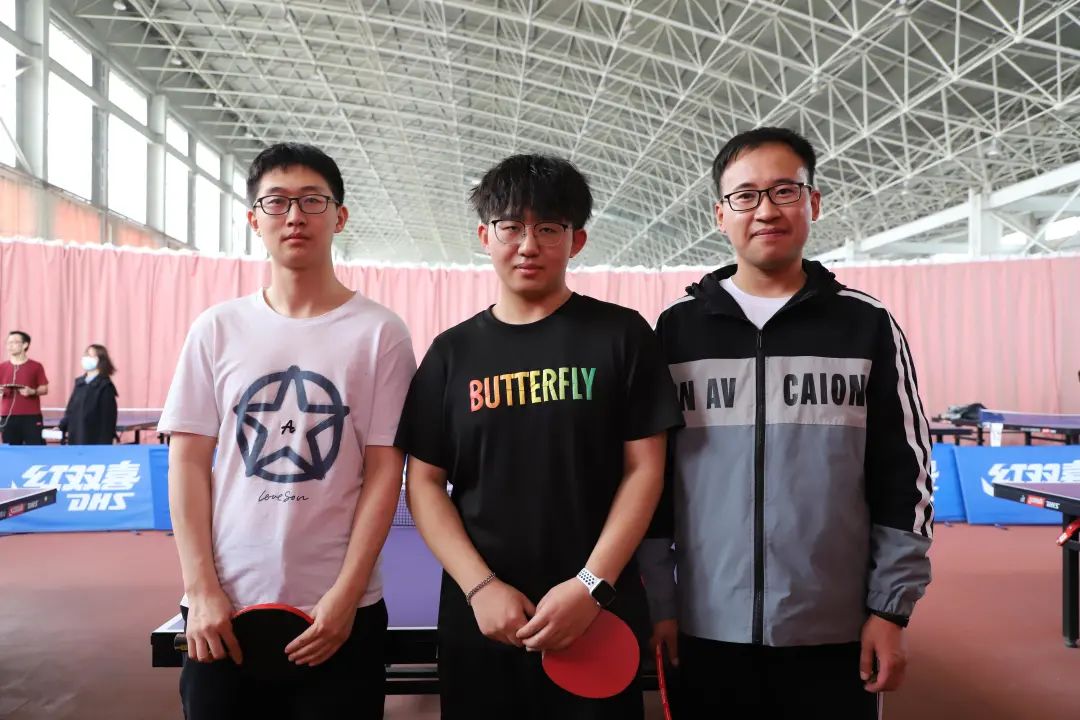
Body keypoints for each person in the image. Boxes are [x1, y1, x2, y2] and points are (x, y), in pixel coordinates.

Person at [639, 127, 933, 718]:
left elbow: (906, 477)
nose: (766, 210)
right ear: (720, 214)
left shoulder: (867, 325)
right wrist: (661, 603)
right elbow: (652, 482)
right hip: (704, 626)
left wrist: (889, 609)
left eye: (784, 191)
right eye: (745, 196)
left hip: (834, 628)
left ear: (813, 202)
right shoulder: (676, 330)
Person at [394, 154, 683, 719]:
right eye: (511, 227)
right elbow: (423, 483)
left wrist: (591, 585)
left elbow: (645, 469)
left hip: (596, 613)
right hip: (482, 618)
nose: (528, 245)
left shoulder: (622, 335)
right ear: (486, 236)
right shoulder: (451, 354)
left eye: (549, 228)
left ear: (577, 241)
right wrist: (481, 588)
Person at [158, 143, 416, 720]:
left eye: (311, 201)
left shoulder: (381, 334)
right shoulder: (216, 329)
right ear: (254, 219)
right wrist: (201, 590)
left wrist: (346, 596)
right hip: (223, 614)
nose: (294, 215)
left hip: (341, 615)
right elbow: (188, 462)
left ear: (339, 216)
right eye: (276, 202)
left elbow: (385, 472)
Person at [59, 344, 119, 445]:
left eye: (90, 356)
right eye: (85, 355)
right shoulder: (80, 383)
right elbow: (71, 410)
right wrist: (62, 426)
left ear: (99, 360)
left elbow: (108, 418)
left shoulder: (105, 386)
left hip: (95, 439)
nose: (86, 358)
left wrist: (106, 440)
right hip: (76, 436)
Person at [0, 330, 49, 445]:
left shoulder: (36, 366)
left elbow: (44, 389)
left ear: (25, 345)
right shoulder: (2, 367)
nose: (10, 346)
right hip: (7, 416)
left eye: (14, 342)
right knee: (11, 450)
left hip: (31, 416)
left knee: (36, 448)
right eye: (8, 343)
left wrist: (32, 391)